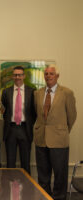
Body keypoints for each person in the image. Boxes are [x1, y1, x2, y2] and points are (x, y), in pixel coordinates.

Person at [34, 64, 77, 200]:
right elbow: (37, 114)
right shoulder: (38, 93)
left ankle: (59, 198)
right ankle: (44, 197)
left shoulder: (67, 93)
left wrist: (62, 131)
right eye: (46, 74)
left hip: (59, 140)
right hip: (41, 139)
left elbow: (72, 116)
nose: (48, 76)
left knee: (60, 174)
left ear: (57, 76)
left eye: (51, 74)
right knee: (43, 174)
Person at [1, 66, 36, 174]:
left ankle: (27, 189)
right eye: (15, 75)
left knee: (25, 163)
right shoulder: (6, 92)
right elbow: (4, 110)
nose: (17, 77)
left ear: (24, 76)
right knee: (10, 162)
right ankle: (9, 188)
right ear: (12, 76)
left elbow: (34, 112)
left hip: (25, 129)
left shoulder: (32, 92)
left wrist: (29, 124)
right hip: (10, 129)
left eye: (20, 75)